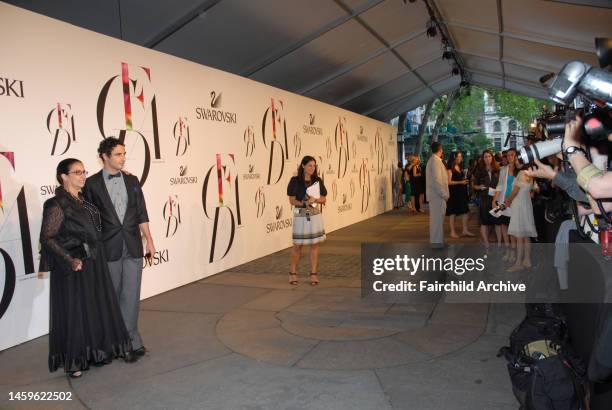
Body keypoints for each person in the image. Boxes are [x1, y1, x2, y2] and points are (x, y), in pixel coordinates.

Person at [40, 158, 132, 378]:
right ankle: (75, 361)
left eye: (84, 171)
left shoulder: (84, 202)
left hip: (94, 262)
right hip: (74, 266)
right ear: (64, 176)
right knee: (75, 313)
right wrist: (70, 259)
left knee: (92, 309)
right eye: (77, 172)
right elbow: (47, 237)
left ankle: (94, 353)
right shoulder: (56, 204)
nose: (83, 176)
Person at [83, 137, 155, 360]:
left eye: (124, 154)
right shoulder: (91, 184)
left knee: (131, 296)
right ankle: (110, 344)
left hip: (132, 245)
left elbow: (141, 212)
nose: (123, 158)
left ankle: (131, 342)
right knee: (110, 297)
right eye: (118, 154)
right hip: (108, 247)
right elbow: (88, 219)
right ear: (105, 156)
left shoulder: (132, 181)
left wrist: (149, 240)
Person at [287, 156, 327, 285]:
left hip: (315, 216)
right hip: (300, 215)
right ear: (303, 166)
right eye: (309, 165)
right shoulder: (295, 180)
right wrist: (303, 203)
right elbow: (291, 200)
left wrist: (314, 200)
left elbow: (324, 199)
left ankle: (313, 274)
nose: (312, 168)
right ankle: (293, 272)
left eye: (314, 166)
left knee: (314, 246)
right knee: (297, 245)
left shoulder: (317, 180)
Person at [505, 170, 538, 271]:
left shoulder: (521, 173)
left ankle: (518, 263)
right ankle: (527, 260)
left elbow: (515, 192)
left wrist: (508, 201)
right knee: (526, 235)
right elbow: (535, 191)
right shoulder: (532, 172)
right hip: (527, 205)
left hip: (519, 205)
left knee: (519, 236)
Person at [471, 150, 501, 251]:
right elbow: (473, 185)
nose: (487, 158)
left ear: (492, 157)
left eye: (489, 156)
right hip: (484, 198)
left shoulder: (497, 169)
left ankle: (500, 244)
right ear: (482, 159)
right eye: (485, 157)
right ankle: (487, 245)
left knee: (497, 222)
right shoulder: (479, 170)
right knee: (484, 222)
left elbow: (501, 184)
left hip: (496, 199)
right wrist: (479, 187)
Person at [493, 148, 520, 261]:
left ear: (516, 156)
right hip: (504, 201)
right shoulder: (503, 169)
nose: (509, 157)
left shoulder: (520, 169)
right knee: (504, 226)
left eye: (512, 155)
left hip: (516, 202)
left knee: (513, 228)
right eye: (508, 155)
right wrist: (494, 200)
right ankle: (508, 250)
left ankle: (514, 253)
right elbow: (499, 186)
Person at [425, 142, 449, 248]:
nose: (442, 151)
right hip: (437, 196)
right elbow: (437, 180)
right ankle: (437, 243)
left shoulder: (434, 160)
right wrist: (444, 194)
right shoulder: (435, 161)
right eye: (442, 149)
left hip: (437, 196)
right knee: (437, 222)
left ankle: (438, 242)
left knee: (437, 221)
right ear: (440, 149)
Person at [446, 151, 474, 238]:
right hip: (454, 193)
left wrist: (464, 180)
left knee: (465, 211)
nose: (461, 158)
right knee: (453, 212)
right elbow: (449, 182)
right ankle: (452, 232)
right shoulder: (450, 168)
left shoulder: (459, 166)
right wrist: (461, 182)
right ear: (454, 157)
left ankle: (465, 230)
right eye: (459, 156)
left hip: (462, 192)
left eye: (461, 156)